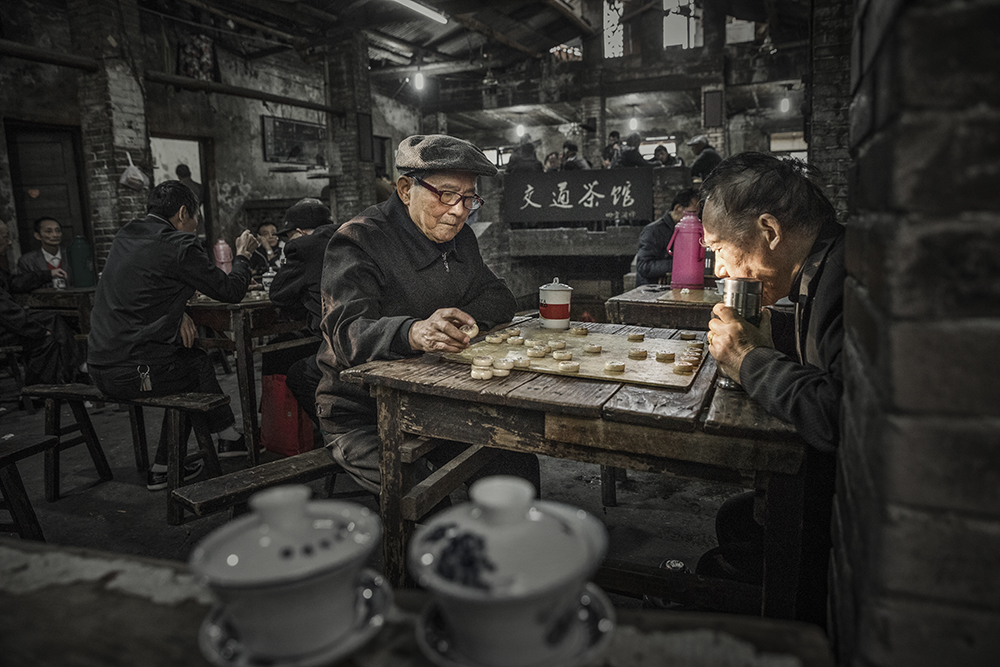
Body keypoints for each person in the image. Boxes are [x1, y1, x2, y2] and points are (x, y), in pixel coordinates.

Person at [315, 134, 540, 496]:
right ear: (406, 189)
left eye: (469, 198)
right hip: (364, 413)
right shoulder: (359, 240)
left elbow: (499, 298)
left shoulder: (460, 239)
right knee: (422, 494)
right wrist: (414, 332)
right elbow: (348, 335)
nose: (459, 210)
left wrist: (456, 323)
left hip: (436, 402)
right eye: (447, 195)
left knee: (514, 463)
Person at [700, 152, 844, 626]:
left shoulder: (847, 280)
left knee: (740, 534)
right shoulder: (818, 271)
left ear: (769, 232)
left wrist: (747, 360)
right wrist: (768, 341)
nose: (719, 270)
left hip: (855, 516)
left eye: (720, 249)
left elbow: (838, 413)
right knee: (737, 518)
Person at [86, 181, 259, 491]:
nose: (196, 225)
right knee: (194, 370)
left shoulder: (126, 235)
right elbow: (230, 291)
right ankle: (165, 467)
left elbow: (142, 287)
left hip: (99, 365)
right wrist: (243, 256)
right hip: (133, 373)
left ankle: (228, 438)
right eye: (196, 217)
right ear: (182, 213)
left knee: (191, 361)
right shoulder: (179, 244)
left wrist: (178, 311)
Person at [267, 198, 337, 425]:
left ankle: (333, 432)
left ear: (299, 232)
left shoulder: (304, 247)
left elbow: (278, 293)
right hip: (369, 332)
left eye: (289, 237)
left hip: (340, 345)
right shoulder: (351, 235)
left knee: (297, 374)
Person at [0, 220, 81, 385]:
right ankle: (37, 390)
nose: (9, 242)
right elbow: (5, 310)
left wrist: (48, 274)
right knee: (46, 340)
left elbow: (13, 282)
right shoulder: (28, 259)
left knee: (53, 318)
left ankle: (72, 373)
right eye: (6, 237)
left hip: (5, 324)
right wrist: (38, 331)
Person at [635, 188, 699, 286]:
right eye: (692, 213)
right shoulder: (653, 231)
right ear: (678, 208)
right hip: (651, 289)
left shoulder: (687, 230)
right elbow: (643, 266)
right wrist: (679, 264)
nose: (695, 218)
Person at [17, 217, 73, 287]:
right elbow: (23, 285)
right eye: (49, 231)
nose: (55, 235)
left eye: (58, 231)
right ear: (37, 236)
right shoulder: (27, 261)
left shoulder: (72, 255)